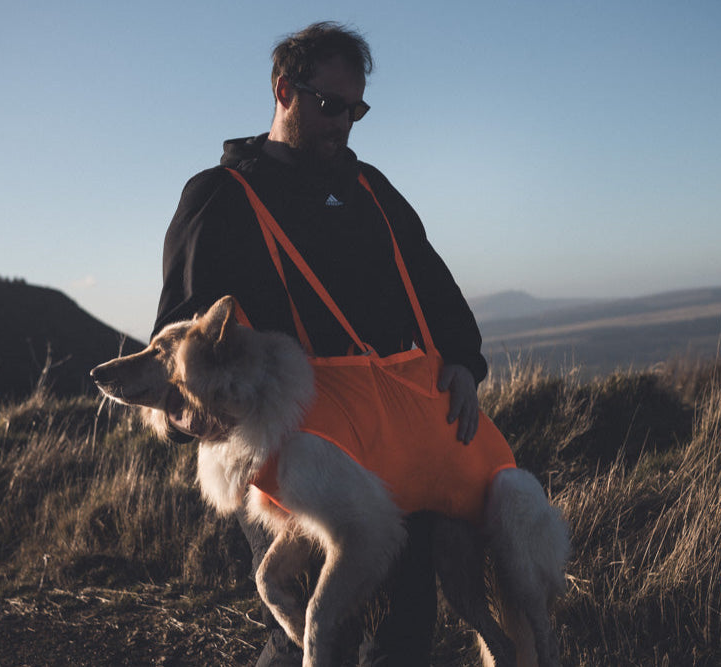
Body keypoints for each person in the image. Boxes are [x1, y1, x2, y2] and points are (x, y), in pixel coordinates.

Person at [153, 22, 488, 666]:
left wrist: (466, 365)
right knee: (311, 636)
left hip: (391, 443)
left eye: (355, 110)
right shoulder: (218, 199)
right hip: (289, 461)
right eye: (330, 106)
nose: (344, 126)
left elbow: (434, 287)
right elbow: (177, 347)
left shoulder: (371, 190)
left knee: (404, 634)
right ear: (284, 90)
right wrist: (185, 417)